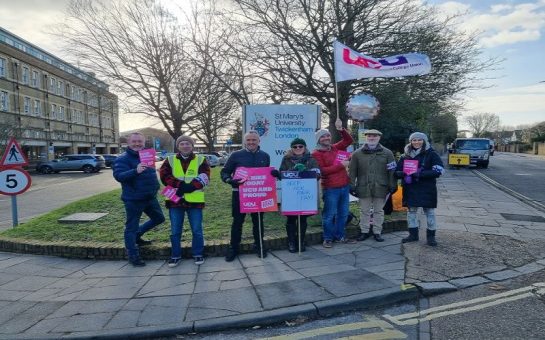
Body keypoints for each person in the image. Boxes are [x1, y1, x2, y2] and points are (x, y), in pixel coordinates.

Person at [113, 132, 165, 267]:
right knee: (131, 227)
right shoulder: (122, 159)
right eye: (134, 141)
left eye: (139, 142)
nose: (137, 144)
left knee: (159, 218)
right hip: (133, 199)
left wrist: (156, 186)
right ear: (128, 143)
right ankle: (133, 255)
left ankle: (138, 235)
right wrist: (135, 171)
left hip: (149, 197)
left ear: (144, 142)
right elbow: (119, 176)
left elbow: (150, 174)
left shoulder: (147, 156)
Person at [159, 135, 210, 267]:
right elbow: (164, 176)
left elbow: (205, 175)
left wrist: (192, 186)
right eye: (182, 143)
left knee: (197, 230)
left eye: (188, 143)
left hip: (195, 201)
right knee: (175, 230)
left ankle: (198, 254)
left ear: (192, 146)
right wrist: (180, 185)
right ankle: (175, 255)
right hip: (175, 201)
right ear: (178, 146)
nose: (185, 145)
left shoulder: (201, 159)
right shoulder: (169, 160)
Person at [220, 130, 271, 261]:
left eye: (254, 140)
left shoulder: (265, 156)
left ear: (259, 141)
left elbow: (266, 175)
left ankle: (259, 245)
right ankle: (233, 248)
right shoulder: (236, 155)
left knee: (258, 222)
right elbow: (224, 172)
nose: (251, 142)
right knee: (237, 222)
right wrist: (228, 180)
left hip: (258, 195)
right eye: (248, 140)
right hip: (239, 194)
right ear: (244, 142)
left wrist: (273, 174)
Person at [395, 132, 444, 246]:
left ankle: (431, 237)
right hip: (410, 188)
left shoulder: (432, 154)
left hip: (427, 188)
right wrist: (404, 173)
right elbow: (397, 172)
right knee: (411, 212)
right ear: (410, 142)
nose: (416, 142)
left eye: (419, 140)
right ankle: (413, 235)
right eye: (414, 140)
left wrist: (419, 173)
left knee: (429, 212)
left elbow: (438, 171)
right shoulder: (405, 155)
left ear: (424, 141)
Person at [312, 121, 356, 248]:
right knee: (329, 215)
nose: (326, 138)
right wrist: (340, 166)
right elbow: (322, 171)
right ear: (318, 139)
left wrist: (341, 129)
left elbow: (348, 140)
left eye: (328, 136)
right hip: (330, 188)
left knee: (343, 213)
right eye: (323, 136)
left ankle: (340, 236)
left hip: (344, 186)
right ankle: (328, 238)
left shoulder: (336, 148)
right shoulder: (316, 154)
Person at [349, 129, 397, 242]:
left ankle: (377, 232)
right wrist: (351, 186)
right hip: (363, 187)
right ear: (366, 137)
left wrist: (392, 185)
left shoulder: (388, 153)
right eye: (369, 136)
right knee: (364, 210)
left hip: (381, 187)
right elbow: (352, 172)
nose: (372, 138)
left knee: (379, 211)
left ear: (379, 138)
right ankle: (364, 231)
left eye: (374, 136)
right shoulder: (357, 154)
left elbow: (392, 171)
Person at [277, 137, 320, 252]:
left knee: (302, 219)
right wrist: (293, 169)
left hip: (304, 193)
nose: (298, 148)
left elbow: (317, 175)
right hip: (290, 193)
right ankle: (291, 242)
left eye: (300, 146)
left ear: (304, 147)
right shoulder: (286, 159)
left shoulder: (311, 159)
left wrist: (306, 170)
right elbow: (281, 174)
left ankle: (301, 241)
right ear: (291, 148)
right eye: (295, 147)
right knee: (291, 219)